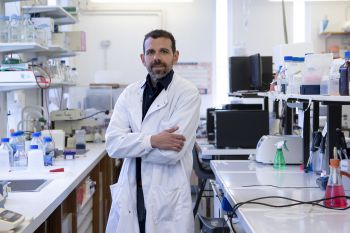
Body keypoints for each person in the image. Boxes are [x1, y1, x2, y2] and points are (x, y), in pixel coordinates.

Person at [105, 29, 201, 233]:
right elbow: (113, 144)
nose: (156, 58)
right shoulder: (130, 94)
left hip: (166, 196)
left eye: (164, 51)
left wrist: (131, 145)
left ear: (175, 56)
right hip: (132, 193)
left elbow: (171, 153)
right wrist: (153, 140)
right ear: (143, 58)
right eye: (150, 52)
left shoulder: (187, 93)